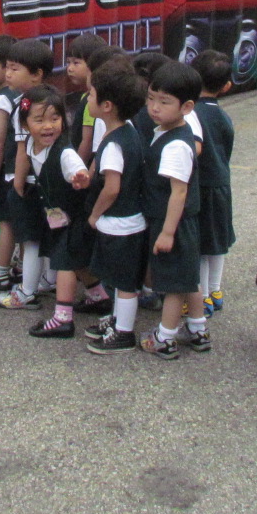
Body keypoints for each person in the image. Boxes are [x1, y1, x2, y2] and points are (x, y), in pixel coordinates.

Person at [137, 61, 206, 359]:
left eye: (164, 102)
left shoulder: (175, 145)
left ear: (187, 107)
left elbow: (179, 191)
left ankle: (165, 338)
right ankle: (198, 329)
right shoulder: (168, 131)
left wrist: (166, 232)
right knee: (187, 276)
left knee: (173, 284)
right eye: (151, 98)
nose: (154, 107)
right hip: (179, 222)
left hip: (172, 223)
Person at [83, 64, 152, 355]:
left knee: (124, 283)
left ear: (107, 106)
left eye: (91, 94)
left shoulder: (113, 145)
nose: (87, 98)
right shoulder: (129, 132)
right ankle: (116, 321)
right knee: (119, 279)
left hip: (120, 224)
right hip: (131, 221)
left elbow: (111, 188)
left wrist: (94, 214)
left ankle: (123, 333)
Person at [15, 86, 93, 337]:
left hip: (74, 217)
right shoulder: (31, 144)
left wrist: (81, 177)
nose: (48, 126)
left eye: (55, 118)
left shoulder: (65, 153)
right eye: (39, 120)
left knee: (64, 264)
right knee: (76, 262)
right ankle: (99, 296)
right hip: (56, 216)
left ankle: (62, 319)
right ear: (25, 125)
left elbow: (78, 169)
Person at [0, 39, 53, 291]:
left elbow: (17, 148)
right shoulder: (50, 98)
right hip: (45, 180)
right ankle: (46, 280)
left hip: (25, 181)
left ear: (36, 74)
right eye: (7, 67)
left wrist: (14, 182)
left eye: (14, 68)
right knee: (46, 232)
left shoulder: (24, 105)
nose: (8, 74)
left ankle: (22, 287)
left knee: (27, 236)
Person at [191, 50, 236, 314]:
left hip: (200, 186)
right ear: (226, 86)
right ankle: (215, 291)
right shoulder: (223, 116)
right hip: (221, 185)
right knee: (218, 242)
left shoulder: (191, 114)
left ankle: (203, 297)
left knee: (199, 245)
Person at [62, 34, 110, 160]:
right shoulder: (86, 96)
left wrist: (78, 166)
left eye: (76, 63)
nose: (70, 68)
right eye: (68, 62)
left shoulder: (92, 101)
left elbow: (86, 141)